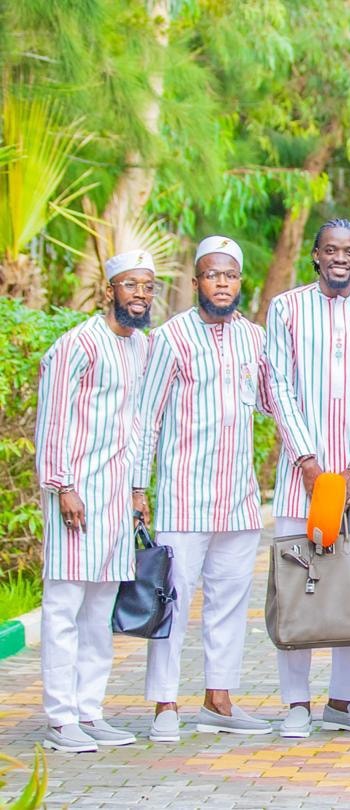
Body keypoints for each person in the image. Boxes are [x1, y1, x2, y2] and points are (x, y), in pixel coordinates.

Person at [132, 237, 273, 742]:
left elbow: (274, 401)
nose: (222, 283)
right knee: (172, 600)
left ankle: (219, 700)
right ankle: (165, 704)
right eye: (213, 275)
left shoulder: (255, 338)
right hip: (183, 496)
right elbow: (147, 417)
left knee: (230, 602)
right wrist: (137, 487)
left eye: (230, 276)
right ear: (196, 282)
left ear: (240, 282)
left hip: (238, 498)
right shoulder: (170, 337)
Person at [265, 218, 350, 739]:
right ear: (316, 256)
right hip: (302, 480)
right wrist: (307, 461)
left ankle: (343, 702)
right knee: (297, 588)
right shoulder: (287, 309)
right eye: (331, 250)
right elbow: (279, 386)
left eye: (349, 251)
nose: (340, 258)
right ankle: (295, 704)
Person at [35, 249, 154, 752]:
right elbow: (53, 417)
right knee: (64, 606)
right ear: (110, 290)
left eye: (147, 286)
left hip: (114, 498)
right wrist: (63, 485)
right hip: (77, 494)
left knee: (100, 610)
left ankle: (90, 711)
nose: (140, 295)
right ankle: (60, 719)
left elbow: (137, 422)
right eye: (130, 285)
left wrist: (136, 490)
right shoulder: (77, 344)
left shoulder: (141, 345)